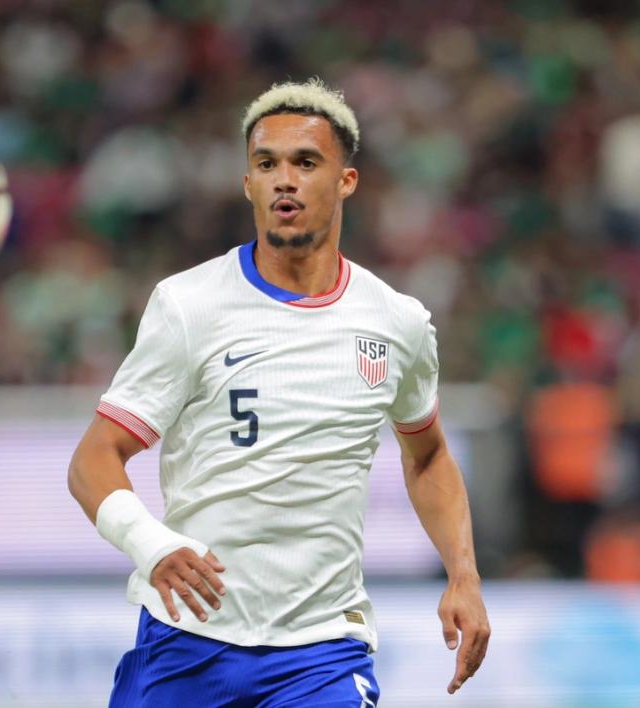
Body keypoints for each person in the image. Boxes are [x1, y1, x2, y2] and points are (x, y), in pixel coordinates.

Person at [68, 77, 490, 706]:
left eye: (306, 162)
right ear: (248, 184)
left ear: (346, 181)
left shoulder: (396, 323)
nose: (283, 179)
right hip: (189, 640)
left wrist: (464, 573)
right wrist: (152, 546)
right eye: (266, 164)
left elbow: (426, 455)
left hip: (323, 650)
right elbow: (93, 460)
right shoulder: (189, 306)